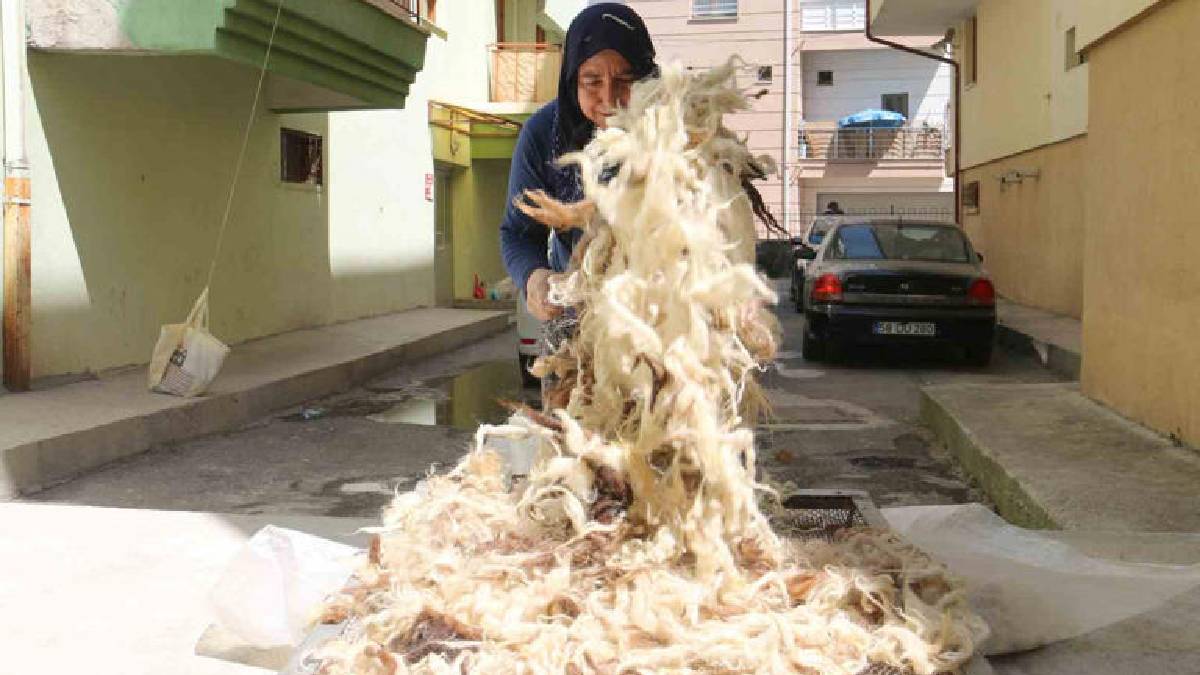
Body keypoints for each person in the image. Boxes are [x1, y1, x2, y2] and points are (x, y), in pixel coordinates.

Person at [499, 3, 657, 323]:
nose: (609, 99)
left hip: (665, 322)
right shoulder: (543, 135)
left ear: (646, 79)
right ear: (572, 81)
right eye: (592, 81)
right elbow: (517, 232)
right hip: (581, 323)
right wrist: (534, 277)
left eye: (625, 80)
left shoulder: (679, 127)